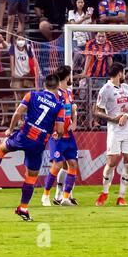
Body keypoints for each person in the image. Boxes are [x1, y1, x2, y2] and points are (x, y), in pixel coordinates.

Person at [0, 74, 65, 221]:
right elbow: (60, 130)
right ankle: (23, 207)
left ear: (44, 85)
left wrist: (10, 129)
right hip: (38, 143)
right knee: (31, 178)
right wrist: (57, 135)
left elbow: (17, 112)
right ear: (58, 86)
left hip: (24, 136)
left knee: (2, 149)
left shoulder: (32, 95)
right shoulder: (59, 105)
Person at [94, 63, 128, 206]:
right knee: (112, 162)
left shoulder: (126, 87)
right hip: (114, 129)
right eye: (123, 72)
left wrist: (126, 115)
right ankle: (104, 193)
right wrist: (112, 119)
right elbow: (97, 111)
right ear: (119, 73)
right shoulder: (105, 89)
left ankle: (121, 197)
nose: (124, 75)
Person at [41, 66, 80, 207]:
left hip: (68, 135)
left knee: (73, 164)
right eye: (70, 75)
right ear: (67, 77)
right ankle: (45, 195)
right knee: (57, 164)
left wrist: (74, 122)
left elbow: (73, 110)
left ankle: (65, 197)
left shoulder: (69, 93)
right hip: (57, 135)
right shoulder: (54, 94)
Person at [9, 34, 38, 104]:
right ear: (16, 40)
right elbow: (12, 61)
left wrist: (37, 73)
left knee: (27, 100)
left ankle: (27, 115)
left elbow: (34, 60)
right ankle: (19, 114)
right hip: (17, 76)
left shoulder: (28, 48)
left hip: (28, 76)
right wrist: (13, 73)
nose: (21, 41)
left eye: (22, 39)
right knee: (18, 101)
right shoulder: (13, 47)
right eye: (19, 39)